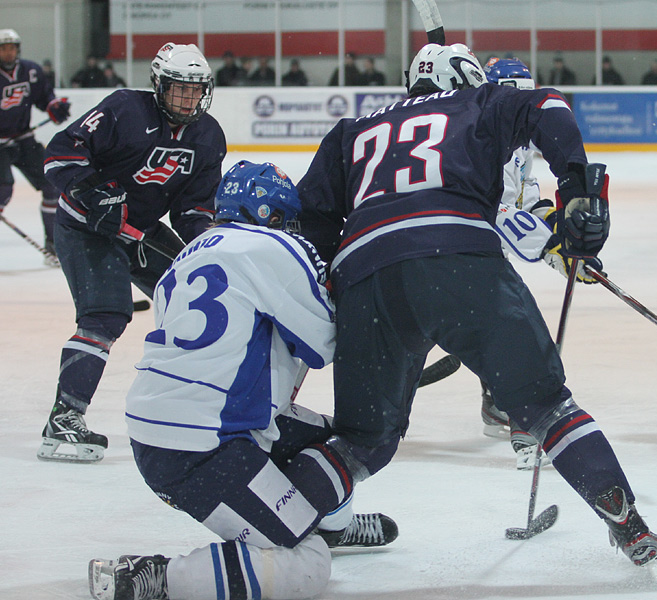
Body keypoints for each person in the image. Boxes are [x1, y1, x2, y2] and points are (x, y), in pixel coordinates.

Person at [293, 42, 657, 572]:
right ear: (467, 77)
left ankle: (271, 515)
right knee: (546, 406)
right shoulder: (481, 103)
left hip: (366, 273)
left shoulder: (351, 130)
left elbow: (312, 221)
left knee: (361, 443)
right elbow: (550, 106)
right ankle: (629, 524)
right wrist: (580, 190)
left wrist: (338, 295)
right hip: (458, 257)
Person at [87, 161, 397, 600]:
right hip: (204, 446)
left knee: (335, 438)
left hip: (168, 427)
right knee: (306, 564)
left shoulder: (185, 258)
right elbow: (328, 343)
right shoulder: (275, 247)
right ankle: (158, 575)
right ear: (272, 216)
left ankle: (330, 526)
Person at [38, 43, 226, 463]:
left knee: (196, 303)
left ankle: (197, 406)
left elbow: (194, 207)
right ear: (159, 85)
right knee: (106, 313)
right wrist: (93, 192)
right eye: (179, 89)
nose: (187, 99)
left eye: (195, 91)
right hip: (85, 226)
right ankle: (63, 419)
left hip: (140, 229)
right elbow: (60, 153)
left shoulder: (208, 136)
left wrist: (209, 241)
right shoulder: (124, 109)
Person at [480, 56, 606, 470]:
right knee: (512, 334)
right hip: (461, 253)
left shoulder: (518, 146)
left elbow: (526, 201)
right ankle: (521, 420)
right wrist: (555, 251)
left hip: (476, 257)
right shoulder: (479, 142)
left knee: (502, 331)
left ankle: (506, 408)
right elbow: (496, 213)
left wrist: (566, 237)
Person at [0, 28, 70, 265]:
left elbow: (45, 98)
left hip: (23, 139)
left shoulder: (30, 71)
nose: (8, 52)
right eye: (3, 48)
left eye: (11, 47)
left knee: (52, 184)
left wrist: (54, 107)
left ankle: (53, 246)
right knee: (3, 189)